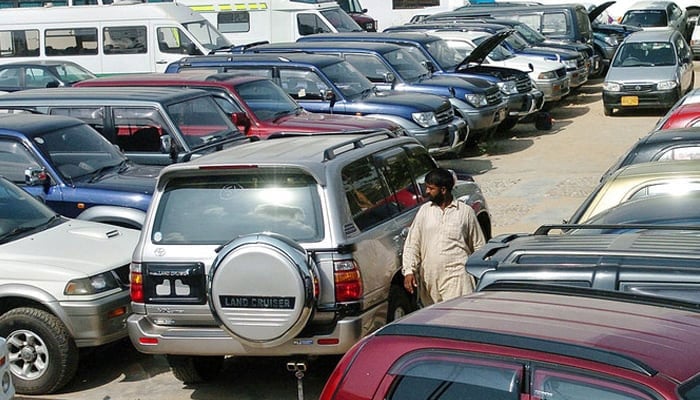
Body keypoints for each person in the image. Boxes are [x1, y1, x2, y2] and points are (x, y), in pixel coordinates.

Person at [402, 167, 486, 307]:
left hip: (458, 278)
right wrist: (409, 271)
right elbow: (412, 244)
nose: (427, 192)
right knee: (434, 321)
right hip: (430, 279)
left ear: (443, 190)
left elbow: (479, 247)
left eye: (431, 188)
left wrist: (482, 276)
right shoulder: (425, 211)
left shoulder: (465, 212)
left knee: (456, 318)